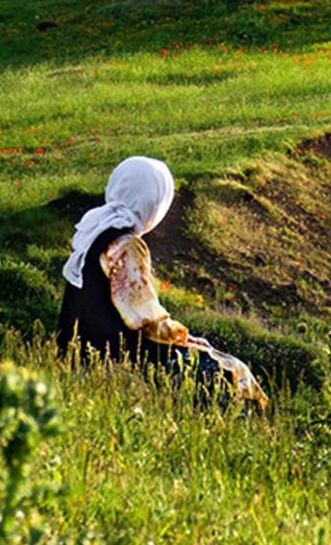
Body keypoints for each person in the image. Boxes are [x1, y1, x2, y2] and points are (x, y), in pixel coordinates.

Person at [58, 156, 265, 406]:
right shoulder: (128, 246)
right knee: (232, 370)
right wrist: (184, 338)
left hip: (82, 347)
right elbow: (145, 318)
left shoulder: (95, 232)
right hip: (119, 354)